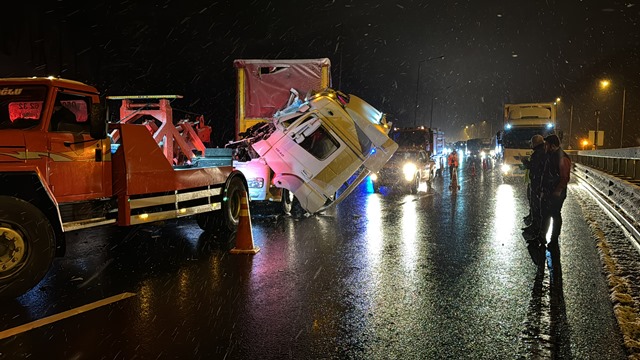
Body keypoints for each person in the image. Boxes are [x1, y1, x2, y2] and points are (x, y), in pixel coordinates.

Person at [534, 134, 571, 248]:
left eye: (547, 144)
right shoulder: (551, 155)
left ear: (553, 145)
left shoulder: (562, 157)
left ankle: (553, 240)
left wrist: (558, 191)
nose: (545, 146)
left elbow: (564, 177)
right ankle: (543, 237)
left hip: (556, 192)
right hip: (549, 191)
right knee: (545, 214)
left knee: (554, 215)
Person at [522, 135, 546, 236]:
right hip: (537, 183)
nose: (531, 145)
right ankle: (536, 227)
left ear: (535, 143)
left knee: (536, 206)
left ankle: (536, 229)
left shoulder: (538, 153)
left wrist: (524, 162)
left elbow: (534, 167)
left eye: (532, 143)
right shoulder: (542, 151)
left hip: (537, 184)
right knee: (535, 205)